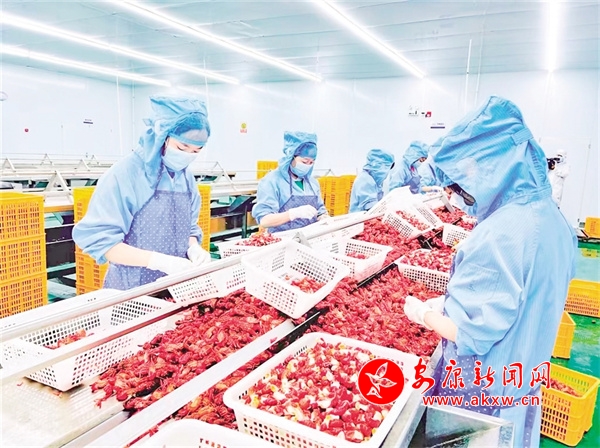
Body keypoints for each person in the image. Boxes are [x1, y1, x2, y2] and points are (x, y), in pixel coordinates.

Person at [403, 96, 576, 448]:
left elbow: (470, 335)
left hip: (483, 400)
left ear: (491, 167)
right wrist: (450, 303)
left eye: (463, 178)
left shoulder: (500, 236)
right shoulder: (555, 220)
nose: (457, 192)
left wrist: (423, 314)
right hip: (521, 387)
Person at [72, 95, 213, 290]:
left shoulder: (185, 178)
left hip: (175, 286)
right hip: (130, 289)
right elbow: (102, 241)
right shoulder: (125, 174)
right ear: (162, 137)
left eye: (196, 151)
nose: (187, 156)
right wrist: (158, 261)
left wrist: (193, 247)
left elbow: (188, 228)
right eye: (182, 147)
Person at [252, 131, 328, 232]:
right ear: (291, 157)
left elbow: (320, 210)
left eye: (311, 163)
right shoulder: (272, 181)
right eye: (304, 162)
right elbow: (265, 221)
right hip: (281, 238)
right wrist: (292, 214)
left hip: (309, 237)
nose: (307, 166)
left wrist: (323, 218)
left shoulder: (312, 183)